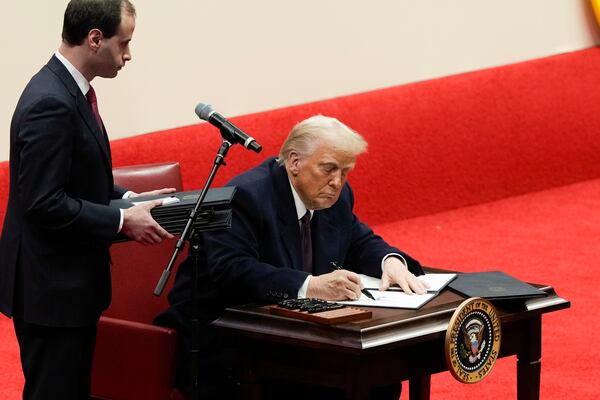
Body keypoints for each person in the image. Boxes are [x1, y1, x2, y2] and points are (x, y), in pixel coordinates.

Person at [156, 115, 428, 399]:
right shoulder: (246, 197)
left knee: (379, 378)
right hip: (225, 340)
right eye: (329, 169)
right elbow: (233, 270)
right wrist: (311, 286)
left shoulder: (333, 195)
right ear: (295, 162)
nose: (337, 181)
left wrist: (391, 262)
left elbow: (359, 241)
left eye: (345, 171)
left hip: (291, 334)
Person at [0, 1, 174, 398]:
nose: (128, 55)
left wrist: (129, 198)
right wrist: (121, 221)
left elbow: (75, 179)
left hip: (65, 288)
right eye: (124, 43)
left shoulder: (67, 90)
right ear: (95, 38)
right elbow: (43, 202)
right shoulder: (52, 102)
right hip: (51, 292)